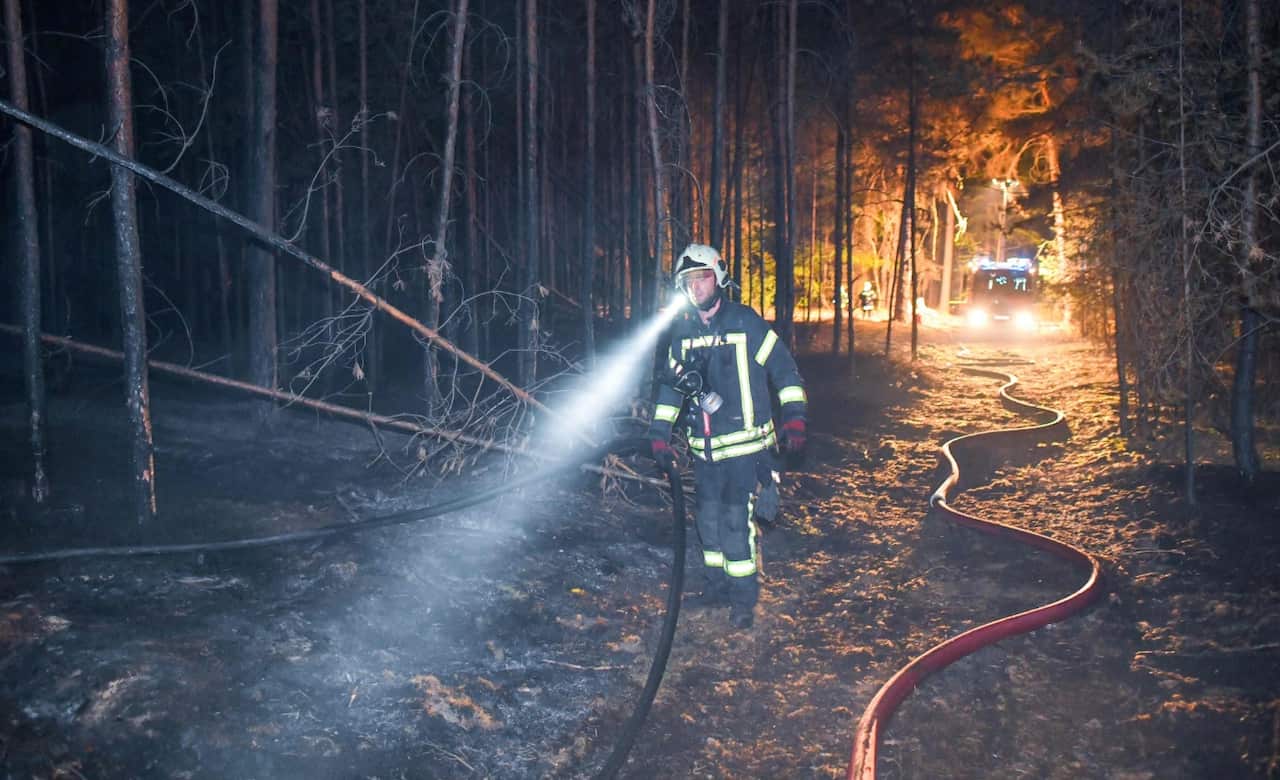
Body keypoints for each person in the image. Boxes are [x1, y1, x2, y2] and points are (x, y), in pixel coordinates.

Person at [648, 244, 807, 630]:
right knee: (708, 524)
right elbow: (671, 388)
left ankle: (742, 601)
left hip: (747, 451)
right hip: (706, 454)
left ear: (718, 278)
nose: (695, 287)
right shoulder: (682, 333)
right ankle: (715, 588)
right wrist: (659, 433)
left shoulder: (746, 322)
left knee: (737, 524)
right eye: (687, 281)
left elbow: (785, 371)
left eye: (701, 278)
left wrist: (795, 417)